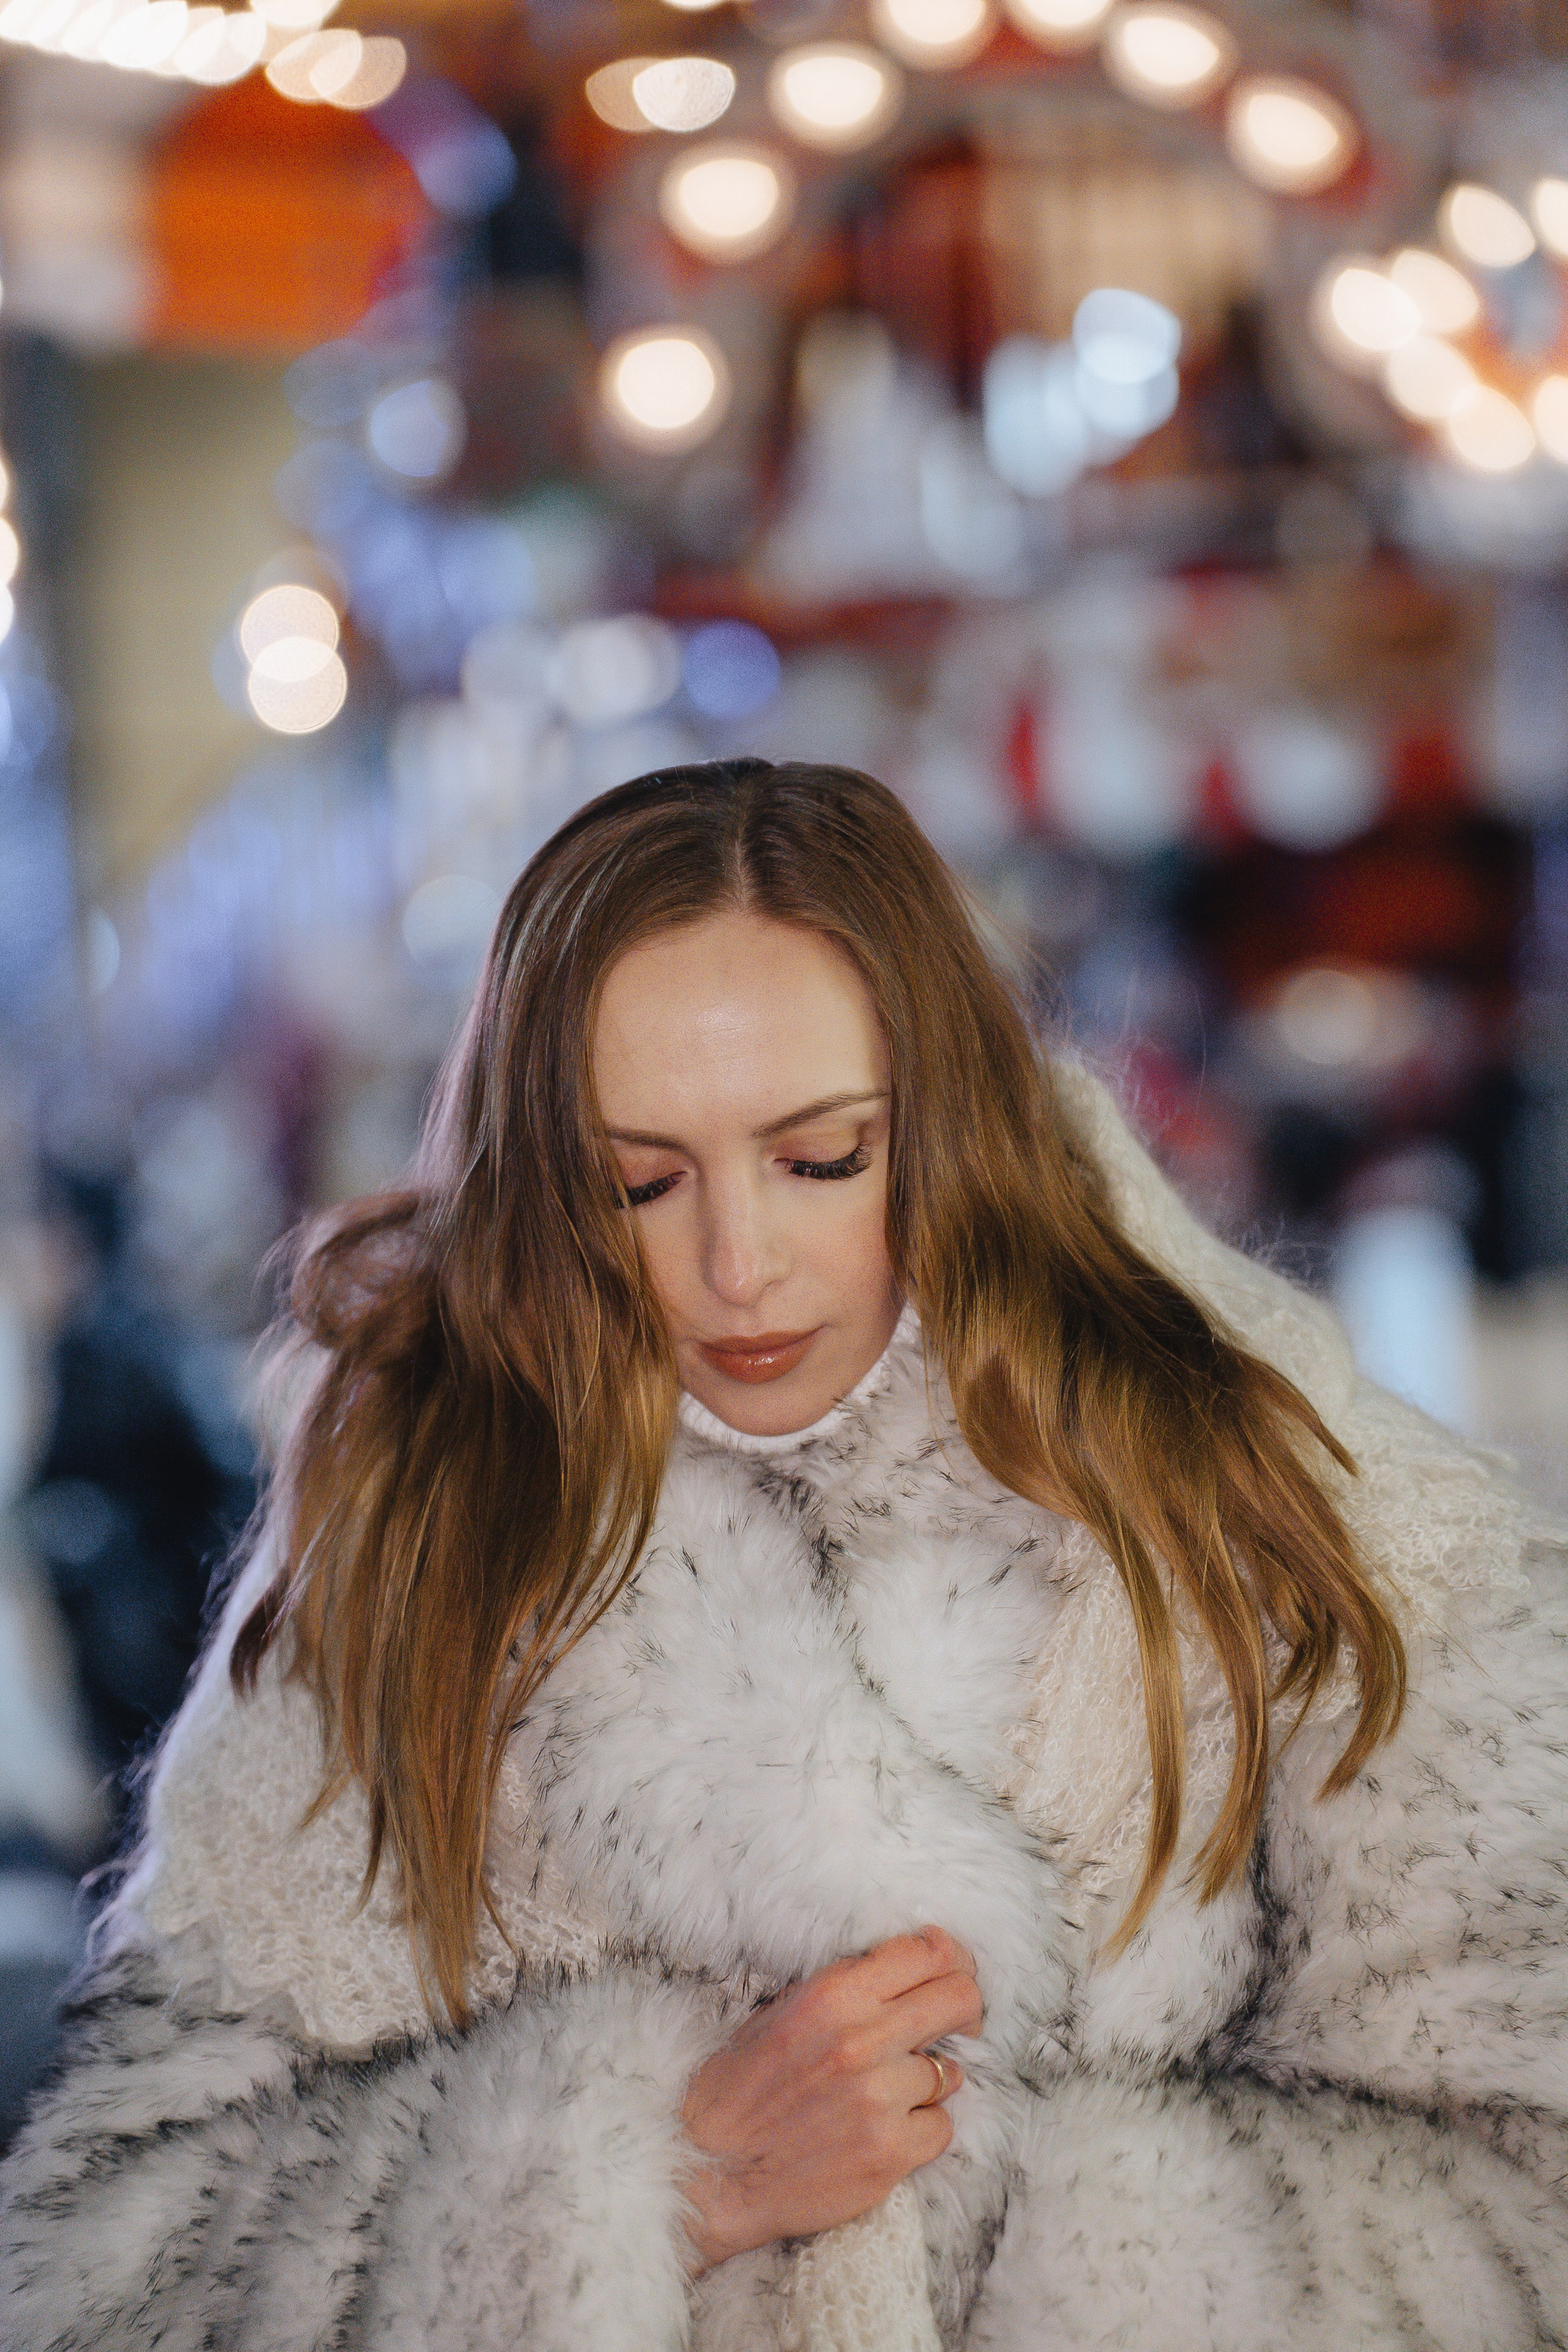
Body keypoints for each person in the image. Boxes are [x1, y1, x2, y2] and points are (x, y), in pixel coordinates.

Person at [2, 757, 1566, 2351]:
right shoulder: (415, 1549)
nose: (737, 1267)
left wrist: (1017, 2254)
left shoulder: (1292, 1512)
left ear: (947, 1128)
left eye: (820, 1160)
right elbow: (107, 2278)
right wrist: (645, 2187)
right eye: (639, 1181)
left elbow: (1532, 2193)